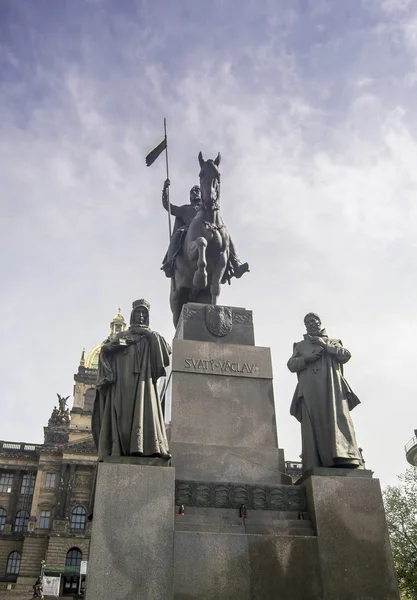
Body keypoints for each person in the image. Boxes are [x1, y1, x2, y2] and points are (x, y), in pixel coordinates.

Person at [92, 299, 171, 460]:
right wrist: (113, 347)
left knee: (144, 410)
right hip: (122, 382)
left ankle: (146, 447)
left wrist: (150, 334)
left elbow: (166, 351)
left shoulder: (151, 336)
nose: (140, 316)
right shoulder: (122, 336)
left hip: (143, 382)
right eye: (138, 312)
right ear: (132, 315)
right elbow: (105, 352)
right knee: (122, 414)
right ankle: (119, 447)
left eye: (144, 313)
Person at [287, 313, 362, 473]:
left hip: (332, 389)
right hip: (310, 390)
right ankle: (316, 460)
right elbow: (291, 365)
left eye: (313, 321)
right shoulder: (300, 346)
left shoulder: (333, 341)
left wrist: (325, 345)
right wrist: (307, 358)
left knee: (336, 419)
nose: (310, 324)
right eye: (307, 322)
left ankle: (343, 456)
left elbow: (345, 355)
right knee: (313, 423)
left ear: (320, 323)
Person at [161, 178, 249, 281]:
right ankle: (170, 263)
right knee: (178, 233)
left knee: (225, 234)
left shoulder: (206, 208)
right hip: (189, 233)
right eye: (192, 191)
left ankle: (235, 264)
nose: (194, 192)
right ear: (190, 196)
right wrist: (165, 189)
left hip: (208, 229)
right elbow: (168, 206)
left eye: (197, 190)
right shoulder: (185, 209)